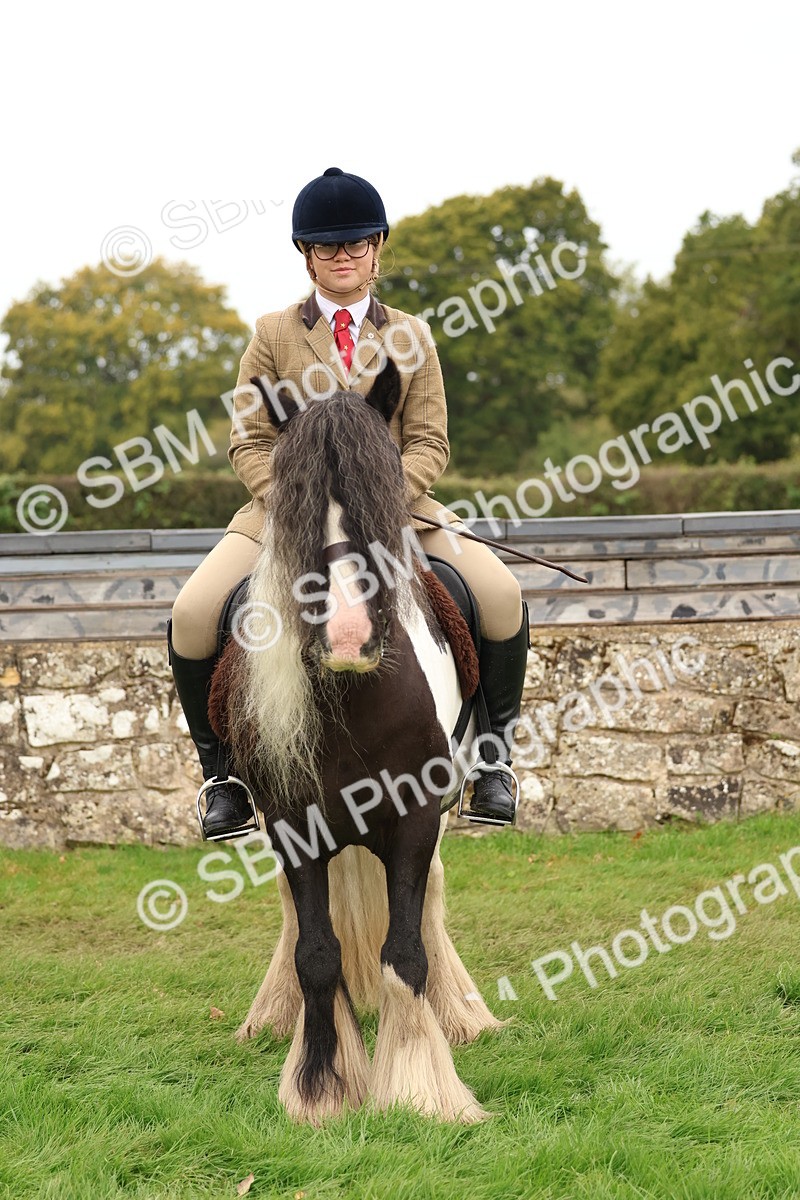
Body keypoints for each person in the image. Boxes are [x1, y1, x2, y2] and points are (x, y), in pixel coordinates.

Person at [167, 167, 529, 840]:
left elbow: (429, 441)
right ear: (306, 255)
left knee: (501, 594)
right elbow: (247, 440)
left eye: (357, 244)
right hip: (285, 513)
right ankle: (223, 780)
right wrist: (298, 504)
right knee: (191, 613)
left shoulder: (412, 335)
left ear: (378, 248)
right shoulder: (272, 333)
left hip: (396, 509)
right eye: (329, 247)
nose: (344, 256)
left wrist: (381, 501)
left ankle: (493, 761)